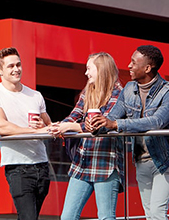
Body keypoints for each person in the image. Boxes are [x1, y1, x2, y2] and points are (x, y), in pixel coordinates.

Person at [89, 45, 169, 220]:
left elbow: (156, 122)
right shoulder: (129, 89)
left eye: (133, 62)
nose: (128, 66)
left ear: (147, 68)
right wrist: (97, 125)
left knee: (157, 212)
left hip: (165, 159)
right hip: (141, 160)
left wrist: (115, 124)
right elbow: (113, 117)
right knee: (149, 213)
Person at [49, 52, 124, 220]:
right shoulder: (88, 91)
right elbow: (73, 115)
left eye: (89, 68)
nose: (86, 73)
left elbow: (101, 125)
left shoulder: (119, 94)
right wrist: (60, 125)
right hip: (82, 161)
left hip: (106, 163)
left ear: (101, 69)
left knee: (105, 216)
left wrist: (71, 126)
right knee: (68, 216)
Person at [0, 47, 52, 220]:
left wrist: (42, 125)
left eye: (18, 64)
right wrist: (33, 131)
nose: (16, 69)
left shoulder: (35, 95)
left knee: (31, 217)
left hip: (42, 166)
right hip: (18, 168)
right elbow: (1, 127)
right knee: (28, 217)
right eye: (11, 66)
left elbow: (49, 125)